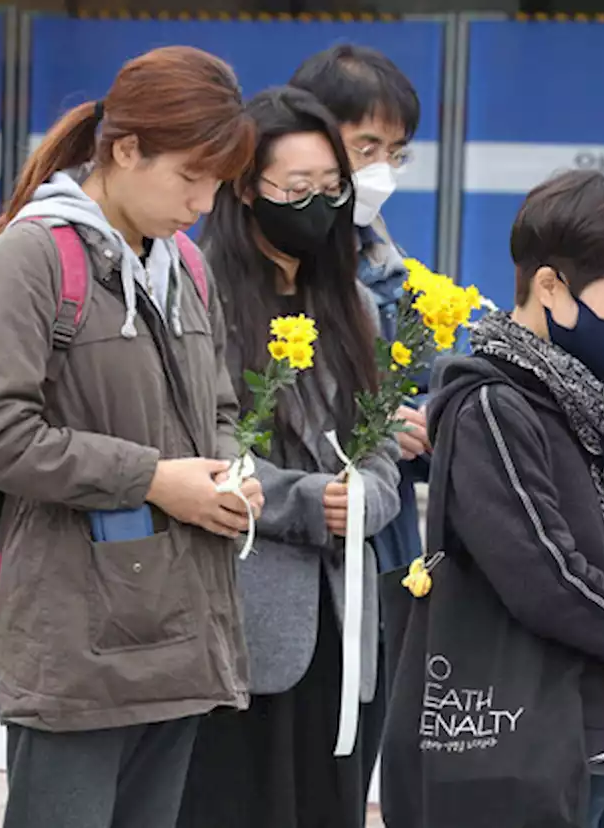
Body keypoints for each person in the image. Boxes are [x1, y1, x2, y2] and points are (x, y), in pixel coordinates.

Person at [0, 46, 259, 828]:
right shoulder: (30, 259)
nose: (202, 202)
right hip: (77, 643)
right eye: (190, 177)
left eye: (216, 184)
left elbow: (218, 404)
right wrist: (156, 479)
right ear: (125, 151)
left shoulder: (185, 264)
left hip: (182, 628)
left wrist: (228, 473)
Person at [426, 169, 604, 827]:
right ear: (551, 286)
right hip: (529, 736)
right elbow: (546, 578)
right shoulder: (492, 407)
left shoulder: (603, 406)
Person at [175, 86, 401, 828]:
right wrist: (309, 501)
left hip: (344, 621)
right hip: (241, 622)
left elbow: (381, 445)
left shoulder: (352, 305)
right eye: (297, 189)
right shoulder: (196, 296)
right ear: (246, 189)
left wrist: (369, 495)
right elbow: (199, 444)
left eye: (333, 189)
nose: (318, 206)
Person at [290, 44, 428, 577]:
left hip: (380, 538)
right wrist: (369, 427)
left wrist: (429, 418)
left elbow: (426, 378)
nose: (382, 171)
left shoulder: (385, 260)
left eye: (395, 153)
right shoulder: (260, 260)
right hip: (292, 546)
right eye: (365, 147)